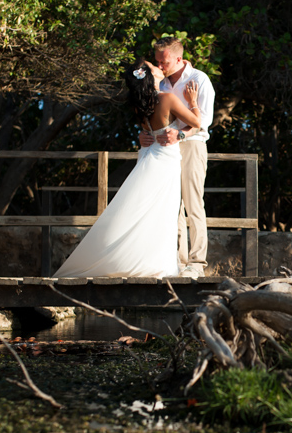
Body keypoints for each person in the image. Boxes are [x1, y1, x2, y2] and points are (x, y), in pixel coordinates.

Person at [53, 62, 201, 279]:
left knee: (146, 210)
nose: (158, 66)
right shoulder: (167, 99)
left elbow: (147, 130)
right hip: (165, 158)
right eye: (153, 66)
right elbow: (197, 122)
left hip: (148, 155)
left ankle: (146, 260)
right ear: (151, 76)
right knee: (162, 212)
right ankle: (156, 263)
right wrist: (194, 102)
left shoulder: (139, 104)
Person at [139, 37, 215, 278]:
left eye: (165, 61)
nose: (160, 66)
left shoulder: (199, 80)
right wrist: (142, 135)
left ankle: (197, 262)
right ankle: (179, 261)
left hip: (191, 144)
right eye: (158, 61)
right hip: (165, 150)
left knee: (193, 203)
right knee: (173, 205)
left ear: (179, 58)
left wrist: (181, 134)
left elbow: (204, 122)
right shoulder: (159, 84)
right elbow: (151, 117)